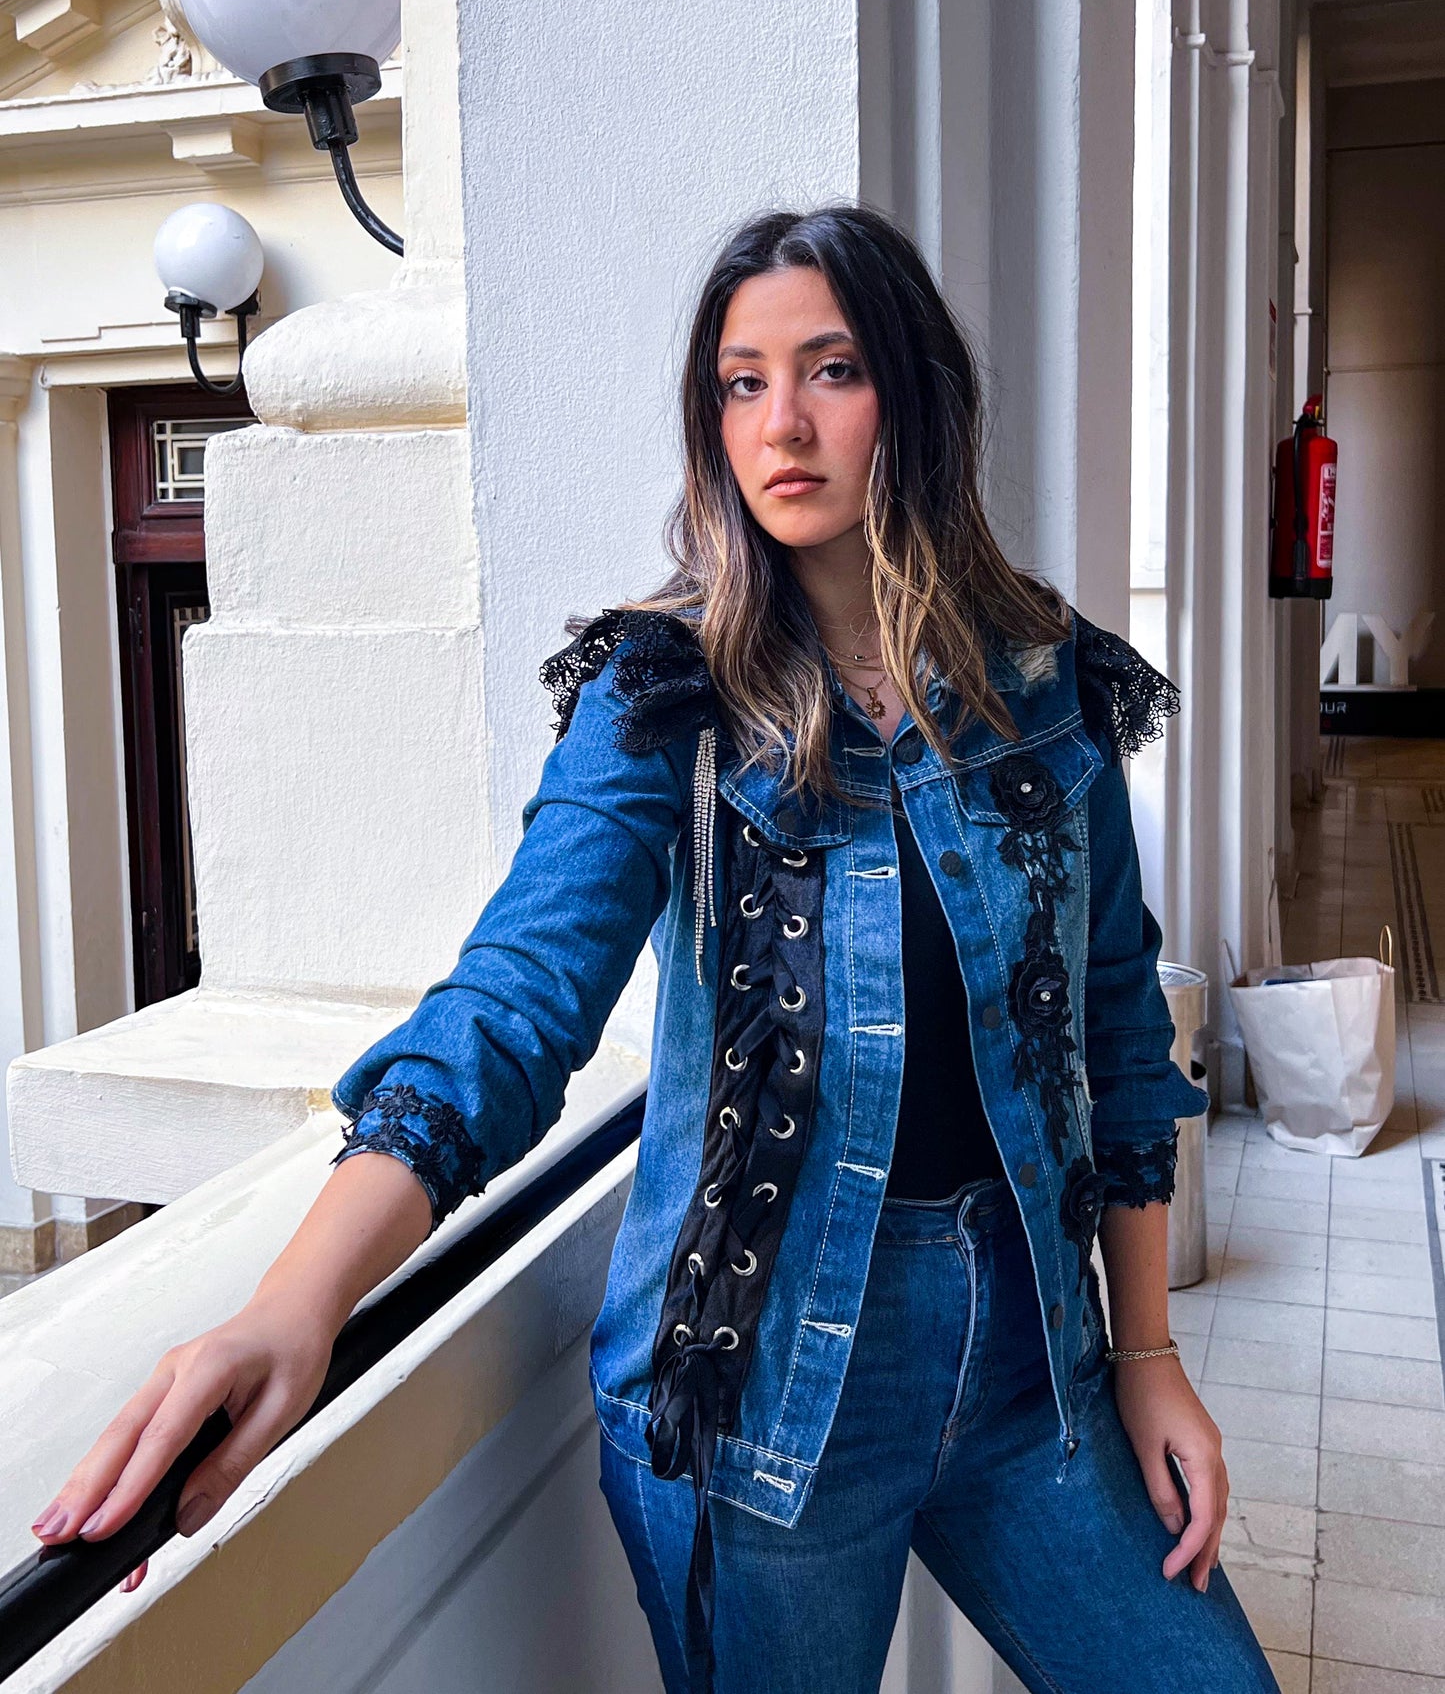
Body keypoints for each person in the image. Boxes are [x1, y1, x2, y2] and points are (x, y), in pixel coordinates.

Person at [31, 207, 1277, 1694]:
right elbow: (514, 1000)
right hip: (755, 1402)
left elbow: (1119, 1034)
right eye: (740, 383)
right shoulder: (663, 692)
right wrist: (294, 1305)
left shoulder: (1048, 682)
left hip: (1035, 1372)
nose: (784, 425)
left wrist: (1148, 1359)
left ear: (916, 401)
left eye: (830, 371)